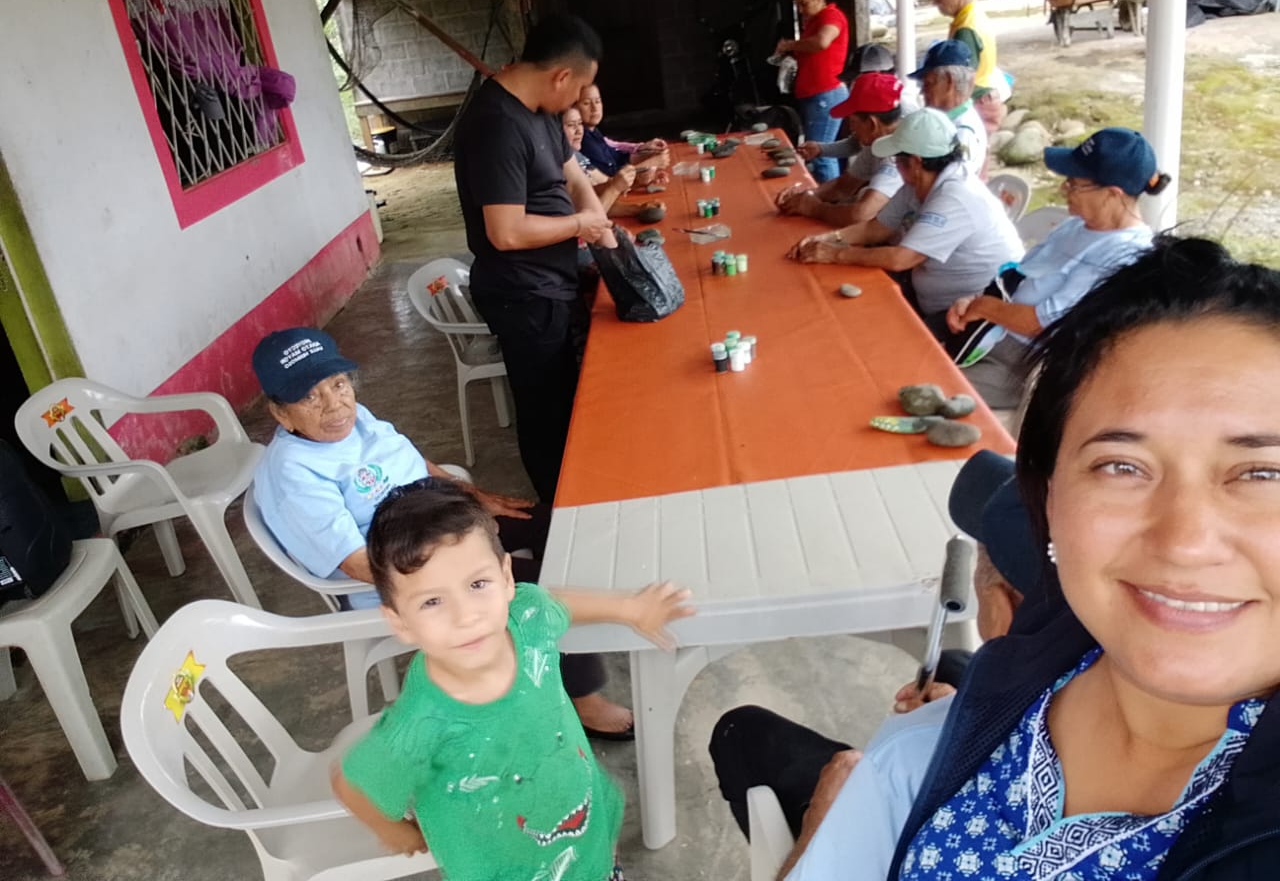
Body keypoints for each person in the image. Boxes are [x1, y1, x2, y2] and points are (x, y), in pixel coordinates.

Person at [784, 237, 1280, 880]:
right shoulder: (951, 731)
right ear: (1048, 498)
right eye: (1122, 466)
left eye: (1263, 474)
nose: (1184, 541)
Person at [251, 327, 634, 738]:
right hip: (404, 573)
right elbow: (359, 564)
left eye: (338, 384)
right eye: (310, 397)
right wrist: (464, 563)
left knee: (559, 526)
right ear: (281, 414)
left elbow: (412, 462)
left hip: (441, 520)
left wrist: (473, 495)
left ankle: (597, 622)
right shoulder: (295, 473)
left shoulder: (354, 417)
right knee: (539, 590)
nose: (334, 404)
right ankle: (582, 698)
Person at [332, 483, 694, 880]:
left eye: (477, 584)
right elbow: (354, 786)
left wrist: (630, 608)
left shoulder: (526, 619)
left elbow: (553, 602)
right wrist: (399, 835)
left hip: (584, 822)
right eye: (432, 601)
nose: (466, 616)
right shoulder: (420, 723)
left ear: (506, 578)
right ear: (399, 620)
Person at [709, 448, 1038, 869]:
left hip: (898, 831)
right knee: (957, 663)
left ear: (1001, 608)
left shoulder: (908, 780)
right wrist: (964, 713)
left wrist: (821, 825)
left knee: (741, 731)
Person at [453, 14, 613, 505]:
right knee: (546, 413)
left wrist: (597, 218)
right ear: (561, 76)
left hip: (551, 283)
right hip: (523, 293)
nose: (581, 102)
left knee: (566, 398)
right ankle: (559, 509)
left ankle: (576, 490)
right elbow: (505, 232)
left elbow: (572, 174)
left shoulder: (540, 109)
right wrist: (580, 225)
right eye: (581, 89)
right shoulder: (497, 125)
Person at [946, 127, 1169, 408]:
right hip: (990, 331)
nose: (1065, 189)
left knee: (925, 386)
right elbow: (1019, 275)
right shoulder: (1075, 225)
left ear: (1112, 194)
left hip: (1024, 363)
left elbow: (1044, 325)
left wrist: (983, 308)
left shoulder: (1124, 253)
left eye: (1075, 184)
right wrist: (973, 302)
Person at [786, 108, 1021, 335]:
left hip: (964, 314)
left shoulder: (956, 196)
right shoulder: (919, 181)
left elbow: (901, 259)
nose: (895, 164)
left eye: (897, 158)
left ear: (916, 162)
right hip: (927, 294)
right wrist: (825, 239)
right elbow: (876, 228)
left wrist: (833, 253)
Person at [779, 71, 906, 228]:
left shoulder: (897, 156)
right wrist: (805, 196)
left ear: (872, 124)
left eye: (853, 122)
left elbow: (860, 215)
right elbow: (843, 187)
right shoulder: (877, 140)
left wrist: (815, 208)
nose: (851, 129)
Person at [774, 0, 850, 183]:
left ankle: (828, 197)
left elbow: (822, 42)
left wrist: (790, 45)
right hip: (815, 94)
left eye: (804, 4)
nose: (800, 10)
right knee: (819, 150)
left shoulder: (831, 15)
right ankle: (827, 193)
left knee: (820, 152)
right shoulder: (814, 21)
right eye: (797, 5)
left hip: (826, 93)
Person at [920, 0, 1006, 134]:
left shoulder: (966, 29)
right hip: (984, 97)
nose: (935, 2)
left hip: (977, 102)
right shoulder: (973, 15)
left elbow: (962, 81)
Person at [562, 106, 667, 219]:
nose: (579, 131)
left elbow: (597, 191)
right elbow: (590, 216)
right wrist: (616, 187)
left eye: (580, 123)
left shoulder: (575, 154)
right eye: (571, 125)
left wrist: (638, 202)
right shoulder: (560, 163)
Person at [910, 40, 987, 173]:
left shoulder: (962, 132)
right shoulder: (952, 121)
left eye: (928, 84)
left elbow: (954, 182)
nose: (922, 92)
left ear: (949, 81)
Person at [575, 83, 669, 183]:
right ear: (574, 108)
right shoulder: (583, 139)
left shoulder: (593, 131)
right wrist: (648, 164)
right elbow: (611, 174)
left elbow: (617, 157)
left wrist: (647, 153)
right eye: (586, 103)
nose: (594, 108)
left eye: (598, 101)